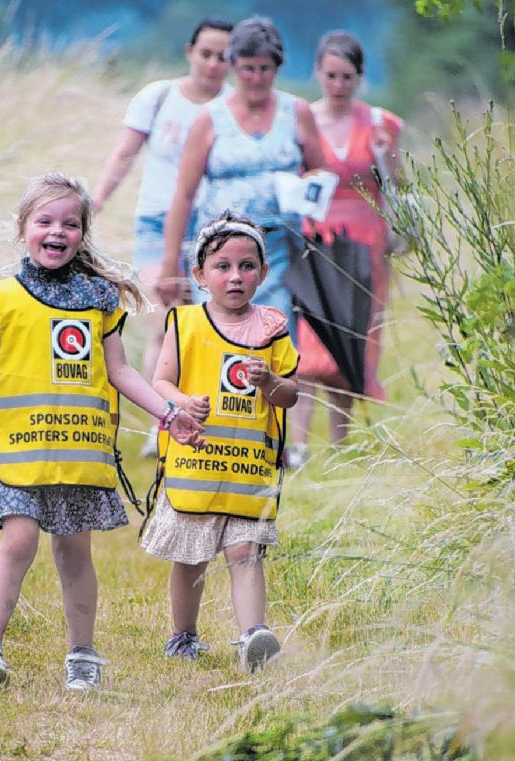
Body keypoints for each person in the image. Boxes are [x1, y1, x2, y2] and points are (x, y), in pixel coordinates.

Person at [0, 172, 204, 691]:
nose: (57, 231)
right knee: (17, 542)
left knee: (74, 552)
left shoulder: (99, 299)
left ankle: (82, 655)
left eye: (70, 223)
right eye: (45, 221)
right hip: (18, 454)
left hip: (78, 456)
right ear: (23, 229)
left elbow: (121, 372)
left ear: (83, 233)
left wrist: (168, 414)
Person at [142, 212, 299, 672]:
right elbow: (160, 381)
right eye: (222, 266)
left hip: (248, 470)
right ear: (199, 274)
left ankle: (253, 637)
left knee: (245, 552)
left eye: (247, 266)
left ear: (263, 273)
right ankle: (183, 635)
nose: (235, 276)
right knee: (190, 556)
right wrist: (182, 403)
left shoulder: (273, 328)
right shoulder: (186, 322)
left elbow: (290, 395)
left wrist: (269, 381)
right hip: (197, 465)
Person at [92, 17, 233, 455]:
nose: (213, 64)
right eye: (206, 53)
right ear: (190, 52)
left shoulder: (233, 107)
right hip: (157, 220)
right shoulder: (157, 97)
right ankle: (163, 420)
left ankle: (207, 416)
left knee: (207, 322)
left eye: (223, 56)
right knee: (166, 318)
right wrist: (96, 201)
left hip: (213, 226)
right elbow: (124, 154)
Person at [157, 15, 326, 344]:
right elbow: (184, 194)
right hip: (220, 247)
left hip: (278, 249)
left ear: (277, 68)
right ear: (233, 65)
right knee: (218, 338)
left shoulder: (296, 112)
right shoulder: (210, 119)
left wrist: (304, 192)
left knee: (273, 339)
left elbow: (320, 173)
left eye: (265, 69)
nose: (256, 77)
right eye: (248, 68)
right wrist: (169, 263)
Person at [287, 31, 403, 466]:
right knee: (309, 340)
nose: (338, 85)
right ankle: (298, 445)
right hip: (315, 239)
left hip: (365, 241)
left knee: (351, 339)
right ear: (317, 72)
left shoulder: (380, 123)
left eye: (347, 77)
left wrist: (386, 157)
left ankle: (341, 445)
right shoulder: (301, 119)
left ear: (359, 77)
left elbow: (399, 184)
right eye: (331, 75)